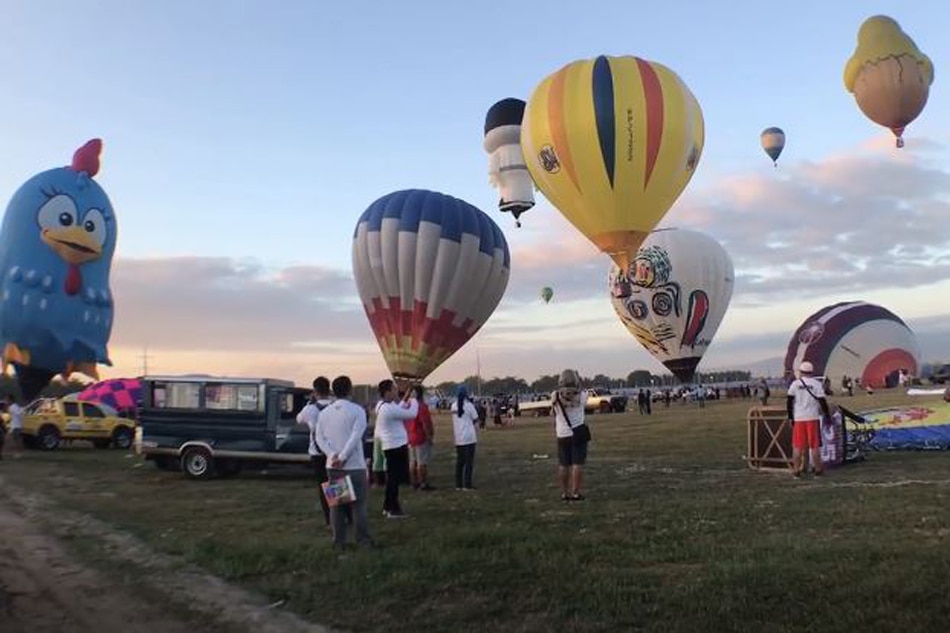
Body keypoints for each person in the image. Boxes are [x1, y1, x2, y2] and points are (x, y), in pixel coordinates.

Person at [314, 376, 374, 550]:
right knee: (359, 506)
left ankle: (339, 542)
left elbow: (319, 438)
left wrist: (332, 455)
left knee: (337, 507)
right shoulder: (357, 410)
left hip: (333, 467)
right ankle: (362, 540)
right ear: (350, 390)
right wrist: (344, 456)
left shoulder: (325, 413)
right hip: (354, 465)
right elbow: (356, 436)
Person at [374, 380, 418, 518]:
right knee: (394, 480)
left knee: (392, 479)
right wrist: (414, 399)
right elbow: (412, 413)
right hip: (396, 446)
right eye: (393, 389)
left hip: (391, 446)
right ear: (387, 392)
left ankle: (388, 507)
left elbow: (400, 408)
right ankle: (393, 509)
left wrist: (407, 397)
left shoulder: (383, 406)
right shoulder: (388, 409)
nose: (396, 391)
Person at [297, 377, 333, 527]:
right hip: (333, 451)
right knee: (337, 483)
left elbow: (299, 419)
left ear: (315, 391)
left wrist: (309, 403)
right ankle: (344, 515)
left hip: (317, 453)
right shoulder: (335, 406)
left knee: (323, 485)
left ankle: (329, 519)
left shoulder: (310, 409)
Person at [786, 361, 832, 478]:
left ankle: (796, 471)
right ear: (811, 372)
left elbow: (789, 402)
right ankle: (817, 470)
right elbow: (823, 402)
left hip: (799, 418)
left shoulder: (795, 384)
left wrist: (791, 418)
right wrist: (827, 416)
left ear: (801, 372)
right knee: (814, 446)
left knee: (797, 446)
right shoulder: (816, 384)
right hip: (812, 418)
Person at [551, 369, 589, 501]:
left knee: (563, 464)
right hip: (577, 432)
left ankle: (565, 492)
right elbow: (581, 397)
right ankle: (575, 492)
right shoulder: (583, 395)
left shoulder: (554, 395)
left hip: (561, 434)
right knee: (577, 464)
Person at [407, 385, 435, 491]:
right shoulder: (422, 406)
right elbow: (425, 423)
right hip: (420, 436)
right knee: (421, 462)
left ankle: (414, 483)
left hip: (411, 436)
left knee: (412, 462)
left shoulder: (409, 406)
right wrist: (429, 436)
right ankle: (423, 483)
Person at [451, 386, 479, 490]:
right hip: (469, 437)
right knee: (469, 463)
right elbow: (476, 419)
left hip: (458, 438)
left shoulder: (453, 406)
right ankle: (467, 484)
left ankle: (458, 484)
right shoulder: (469, 406)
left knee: (460, 463)